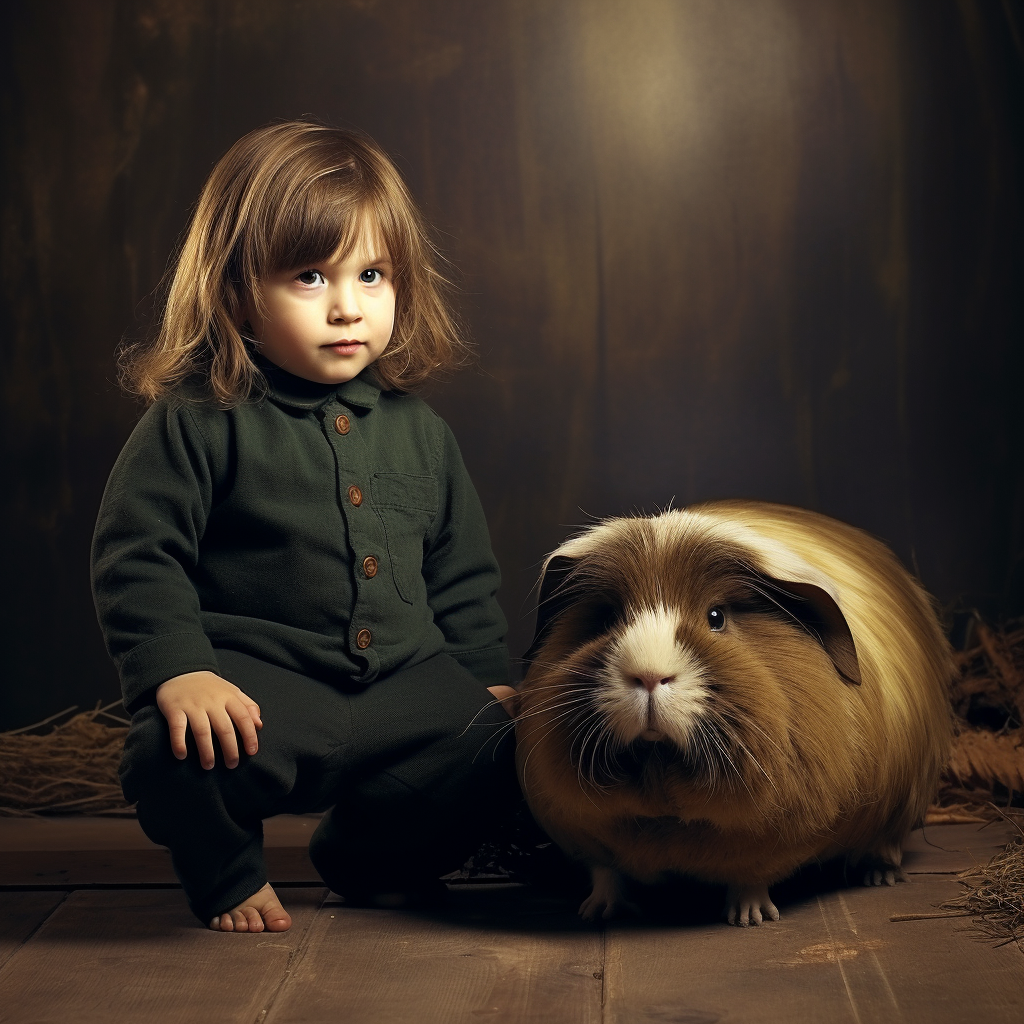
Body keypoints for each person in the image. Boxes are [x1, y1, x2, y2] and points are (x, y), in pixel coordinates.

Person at [91, 121, 518, 933]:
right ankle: (226, 874)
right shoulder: (197, 420)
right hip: (264, 689)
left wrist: (483, 675)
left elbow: (460, 570)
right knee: (168, 753)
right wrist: (178, 670)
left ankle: (373, 857)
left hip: (407, 684)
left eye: (372, 274)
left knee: (509, 745)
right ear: (237, 290)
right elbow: (139, 556)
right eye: (311, 277)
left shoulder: (418, 430)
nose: (349, 306)